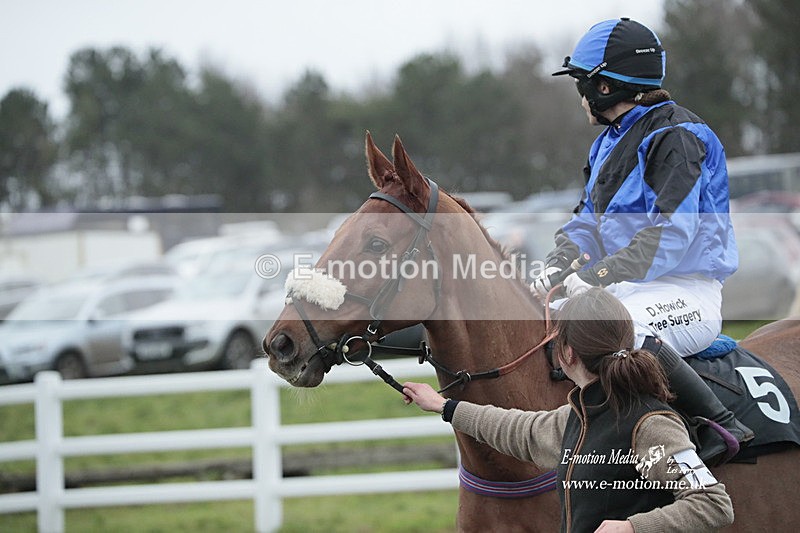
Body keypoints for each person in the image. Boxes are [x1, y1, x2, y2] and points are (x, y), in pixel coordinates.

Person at [528, 17, 752, 462]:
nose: (580, 95)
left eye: (582, 83)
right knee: (541, 324)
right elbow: (587, 221)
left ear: (605, 87)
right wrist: (561, 261)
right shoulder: (607, 143)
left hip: (687, 291)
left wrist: (597, 274)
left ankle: (721, 426)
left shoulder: (678, 136)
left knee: (620, 333)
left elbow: (673, 235)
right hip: (626, 287)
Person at [403, 288, 734, 533]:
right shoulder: (576, 418)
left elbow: (712, 503)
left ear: (568, 353)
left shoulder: (651, 426)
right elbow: (513, 428)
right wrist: (444, 406)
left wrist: (633, 528)